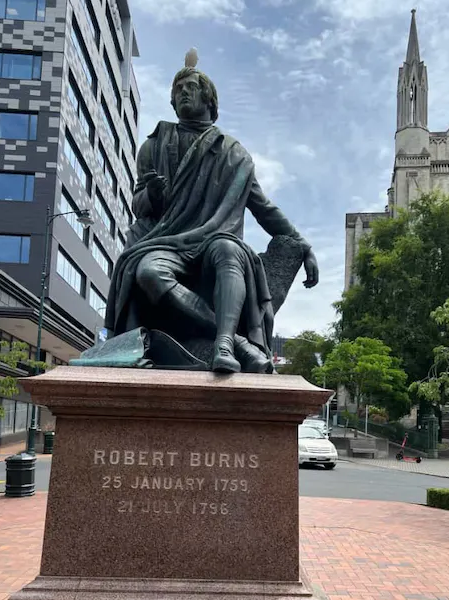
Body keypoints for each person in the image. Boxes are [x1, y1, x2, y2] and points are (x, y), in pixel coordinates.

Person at [105, 52, 319, 373]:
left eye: (190, 87)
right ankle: (239, 342)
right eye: (177, 91)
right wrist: (152, 194)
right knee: (148, 271)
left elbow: (263, 208)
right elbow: (139, 206)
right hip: (166, 243)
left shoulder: (233, 154)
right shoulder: (154, 146)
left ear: (209, 99)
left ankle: (222, 344)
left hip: (213, 242)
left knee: (229, 248)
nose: (183, 94)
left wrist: (303, 246)